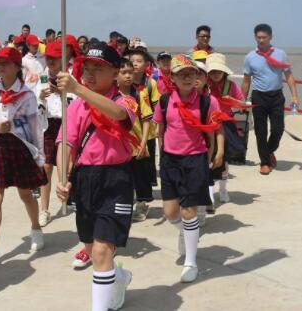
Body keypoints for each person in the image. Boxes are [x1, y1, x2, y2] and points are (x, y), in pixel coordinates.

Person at [55, 41, 137, 311]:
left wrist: (77, 88)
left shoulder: (125, 100)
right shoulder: (76, 106)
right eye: (86, 68)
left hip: (115, 180)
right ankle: (119, 278)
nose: (89, 74)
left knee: (102, 252)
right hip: (85, 179)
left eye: (98, 69)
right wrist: (62, 178)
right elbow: (65, 143)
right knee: (92, 248)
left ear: (115, 72)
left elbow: (118, 114)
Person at [153, 55, 223, 283]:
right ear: (172, 78)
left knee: (189, 211)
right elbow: (160, 130)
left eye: (191, 73)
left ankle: (191, 262)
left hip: (195, 159)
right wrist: (162, 156)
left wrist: (214, 153)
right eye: (181, 74)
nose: (187, 77)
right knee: (170, 212)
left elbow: (213, 130)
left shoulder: (207, 102)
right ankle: (186, 231)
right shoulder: (164, 101)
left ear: (197, 77)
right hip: (170, 160)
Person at [0, 46, 47, 264]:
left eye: (6, 63)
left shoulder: (27, 95)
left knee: (26, 194)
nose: (0, 66)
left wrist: (39, 157)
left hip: (21, 148)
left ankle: (36, 228)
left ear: (17, 67)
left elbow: (36, 128)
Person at [240, 23, 300, 175]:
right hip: (258, 97)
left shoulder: (280, 54)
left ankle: (268, 150)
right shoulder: (250, 57)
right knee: (260, 131)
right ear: (255, 38)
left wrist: (294, 96)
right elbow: (246, 80)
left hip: (276, 96)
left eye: (264, 37)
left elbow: (289, 75)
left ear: (270, 37)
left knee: (278, 129)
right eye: (258, 37)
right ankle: (265, 162)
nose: (261, 40)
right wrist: (242, 101)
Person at [37, 41, 73, 228]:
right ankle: (44, 209)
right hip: (48, 125)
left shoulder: (69, 77)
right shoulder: (41, 77)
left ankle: (68, 199)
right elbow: (33, 103)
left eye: (54, 58)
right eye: (48, 58)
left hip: (66, 124)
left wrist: (61, 93)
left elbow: (77, 103)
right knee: (46, 167)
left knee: (66, 167)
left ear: (62, 58)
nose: (50, 61)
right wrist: (40, 97)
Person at [115, 58, 155, 223]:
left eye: (130, 72)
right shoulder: (112, 95)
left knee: (140, 177)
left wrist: (144, 143)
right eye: (123, 72)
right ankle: (124, 206)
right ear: (115, 75)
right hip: (119, 146)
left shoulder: (140, 93)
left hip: (137, 144)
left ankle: (142, 204)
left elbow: (146, 120)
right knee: (123, 178)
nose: (128, 76)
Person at [206, 53, 248, 206]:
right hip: (208, 124)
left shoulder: (231, 86)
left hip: (226, 124)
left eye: (219, 71)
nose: (216, 74)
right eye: (212, 71)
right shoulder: (204, 85)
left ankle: (223, 189)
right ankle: (209, 191)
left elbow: (243, 105)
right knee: (208, 157)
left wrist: (232, 100)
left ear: (224, 71)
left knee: (223, 158)